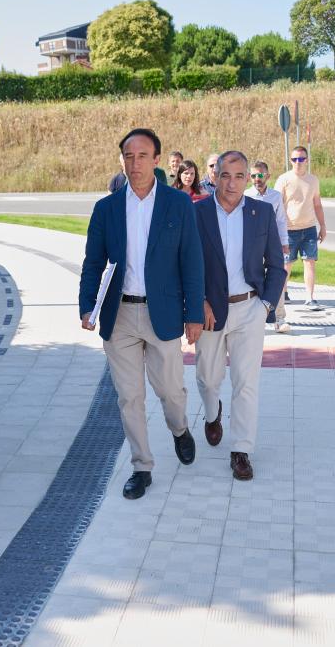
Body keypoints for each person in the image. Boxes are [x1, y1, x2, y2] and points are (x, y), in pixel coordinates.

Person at [80, 128, 205, 500]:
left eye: (142, 156)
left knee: (170, 391)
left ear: (157, 160)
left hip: (162, 313)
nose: (135, 163)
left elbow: (192, 261)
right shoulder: (106, 209)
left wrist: (194, 314)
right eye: (128, 156)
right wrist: (88, 305)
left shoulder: (177, 204)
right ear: (122, 161)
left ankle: (180, 429)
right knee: (129, 397)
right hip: (119, 317)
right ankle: (141, 466)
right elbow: (93, 262)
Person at [193, 151, 286, 480]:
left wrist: (265, 307)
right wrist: (197, 301)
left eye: (239, 176)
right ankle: (212, 411)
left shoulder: (262, 212)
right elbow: (187, 264)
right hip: (209, 311)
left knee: (246, 382)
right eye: (225, 175)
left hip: (250, 307)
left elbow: (276, 265)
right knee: (207, 378)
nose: (231, 183)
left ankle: (241, 450)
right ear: (214, 177)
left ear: (249, 178)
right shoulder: (198, 212)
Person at [274, 146, 326, 308]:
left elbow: (317, 204)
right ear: (290, 161)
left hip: (309, 228)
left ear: (307, 160)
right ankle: (283, 294)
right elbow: (276, 205)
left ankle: (310, 297)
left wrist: (323, 226)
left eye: (302, 159)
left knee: (310, 262)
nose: (298, 162)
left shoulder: (313, 180)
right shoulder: (283, 179)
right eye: (295, 159)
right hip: (288, 230)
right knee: (286, 264)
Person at [244, 160, 291, 332]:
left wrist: (284, 242)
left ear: (268, 176)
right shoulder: (246, 195)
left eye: (260, 175)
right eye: (254, 175)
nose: (257, 178)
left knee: (277, 276)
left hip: (272, 242)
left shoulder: (276, 196)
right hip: (253, 243)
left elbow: (281, 221)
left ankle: (279, 317)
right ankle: (255, 315)